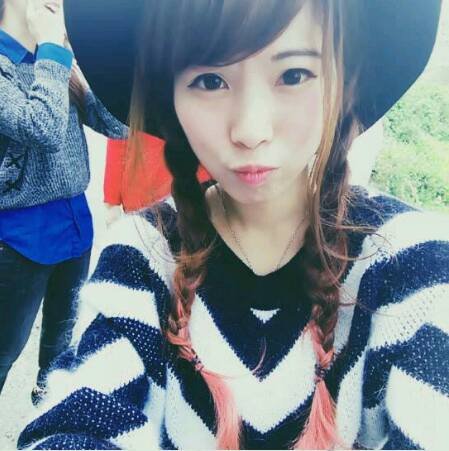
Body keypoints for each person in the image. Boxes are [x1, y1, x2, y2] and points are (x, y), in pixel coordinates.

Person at [18, 0, 448, 449]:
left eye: (294, 75)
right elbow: (79, 418)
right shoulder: (142, 256)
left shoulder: (413, 265)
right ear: (171, 97)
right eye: (210, 80)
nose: (250, 129)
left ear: (345, 81)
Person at [0, 0, 126, 402]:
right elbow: (44, 127)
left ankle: (48, 420)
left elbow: (120, 126)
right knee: (3, 353)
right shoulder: (12, 64)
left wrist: (91, 61)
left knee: (59, 358)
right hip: (17, 240)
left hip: (73, 228)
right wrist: (53, 50)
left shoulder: (55, 58)